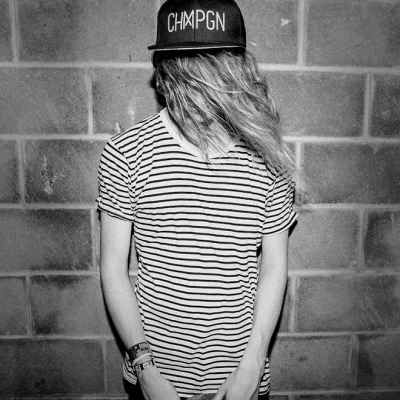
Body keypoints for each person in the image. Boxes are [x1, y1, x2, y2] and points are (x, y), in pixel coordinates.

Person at [97, 0, 298, 399]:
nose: (199, 100)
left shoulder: (267, 156)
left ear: (236, 73)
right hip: (155, 377)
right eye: (185, 81)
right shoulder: (125, 153)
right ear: (164, 74)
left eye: (211, 81)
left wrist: (252, 365)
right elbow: (113, 268)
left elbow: (275, 267)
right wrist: (145, 370)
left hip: (240, 378)